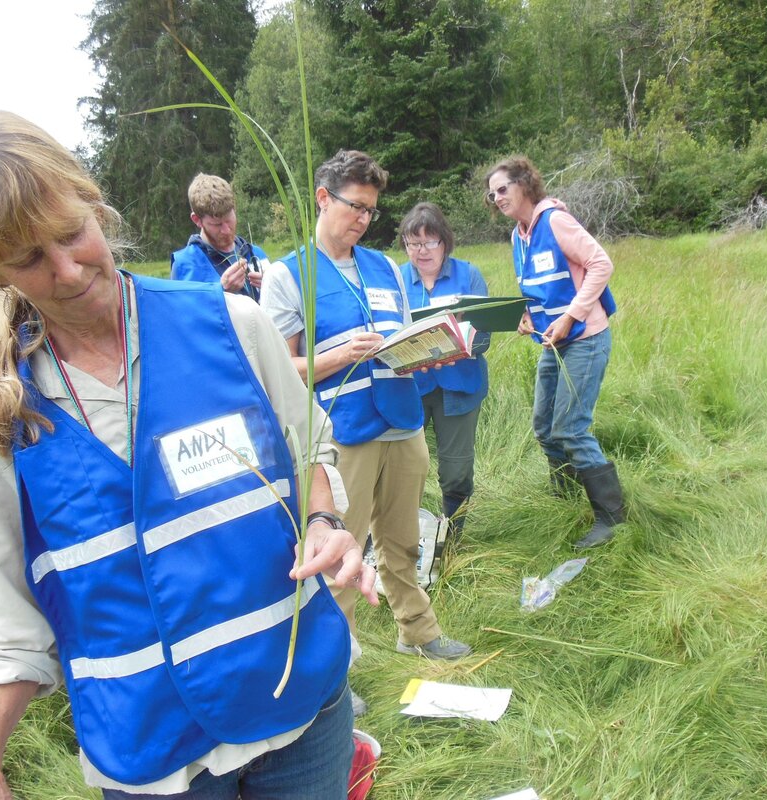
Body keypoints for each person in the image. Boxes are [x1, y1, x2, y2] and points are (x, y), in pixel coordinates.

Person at [0, 111, 377, 799]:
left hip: (299, 715)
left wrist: (325, 524)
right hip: (152, 756)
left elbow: (306, 443)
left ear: (95, 206)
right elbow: (8, 617)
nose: (69, 270)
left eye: (73, 233)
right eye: (28, 259)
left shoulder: (234, 326)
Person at [260, 150, 472, 710]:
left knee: (402, 541)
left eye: (371, 211)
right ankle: (333, 671)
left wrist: (422, 354)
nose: (363, 219)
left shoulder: (383, 267)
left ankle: (418, 633)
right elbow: (279, 370)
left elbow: (398, 339)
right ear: (323, 198)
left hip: (402, 420)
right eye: (355, 207)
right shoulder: (287, 275)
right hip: (342, 432)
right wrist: (332, 356)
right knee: (338, 557)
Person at [484, 155, 626, 548]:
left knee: (570, 427)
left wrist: (570, 316)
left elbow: (601, 263)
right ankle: (565, 501)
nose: (496, 197)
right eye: (492, 193)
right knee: (545, 428)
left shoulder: (555, 221)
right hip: (552, 341)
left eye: (503, 188)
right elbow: (533, 285)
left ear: (525, 184)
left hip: (585, 339)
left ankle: (611, 519)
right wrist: (526, 315)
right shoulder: (518, 235)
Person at [397, 203, 491, 544]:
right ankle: (404, 535)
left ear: (444, 243)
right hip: (410, 387)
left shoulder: (469, 275)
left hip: (460, 386)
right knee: (404, 467)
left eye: (429, 242)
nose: (421, 251)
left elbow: (485, 335)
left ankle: (451, 538)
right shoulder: (396, 280)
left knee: (456, 470)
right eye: (413, 243)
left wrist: (460, 345)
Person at [171, 173, 267, 301]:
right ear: (197, 220)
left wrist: (272, 286)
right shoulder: (185, 265)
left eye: (229, 220)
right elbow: (184, 316)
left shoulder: (256, 253)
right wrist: (222, 292)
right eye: (217, 224)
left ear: (234, 208)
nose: (226, 230)